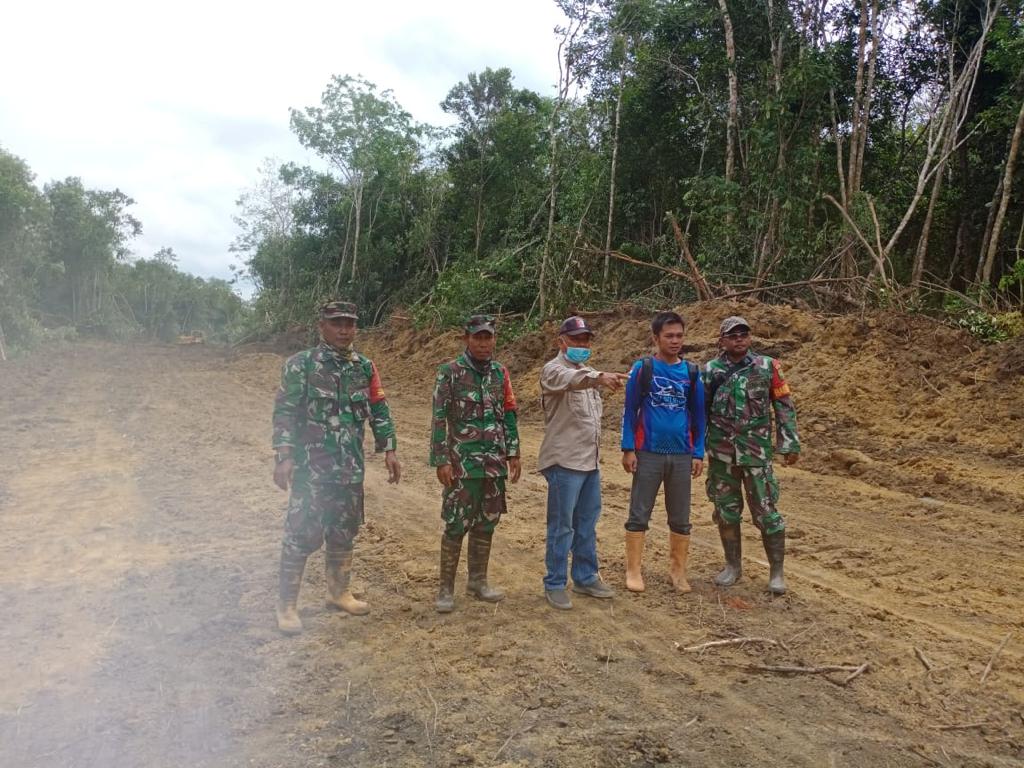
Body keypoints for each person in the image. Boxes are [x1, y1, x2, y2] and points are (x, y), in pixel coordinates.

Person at [271, 301, 402, 635]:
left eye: (350, 324)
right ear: (322, 326)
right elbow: (286, 411)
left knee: (344, 531)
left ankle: (338, 592)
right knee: (301, 534)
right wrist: (284, 456)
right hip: (312, 470)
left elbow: (379, 409)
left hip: (349, 469)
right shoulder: (301, 366)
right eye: (337, 323)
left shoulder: (364, 368)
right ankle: (286, 605)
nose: (345, 330)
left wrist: (390, 448)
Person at [429, 314, 521, 613]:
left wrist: (513, 452)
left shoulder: (500, 373)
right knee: (456, 523)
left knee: (487, 522)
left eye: (488, 337)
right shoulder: (450, 372)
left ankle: (478, 582)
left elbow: (508, 413)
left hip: (493, 462)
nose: (484, 343)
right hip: (462, 464)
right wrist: (441, 459)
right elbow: (439, 418)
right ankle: (445, 589)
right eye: (478, 337)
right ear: (466, 338)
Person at [703, 316, 800, 595]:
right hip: (722, 455)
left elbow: (783, 405)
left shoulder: (768, 367)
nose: (739, 339)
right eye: (733, 335)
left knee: (767, 513)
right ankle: (733, 566)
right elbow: (700, 411)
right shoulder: (711, 370)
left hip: (757, 454)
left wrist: (789, 442)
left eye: (744, 334)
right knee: (726, 511)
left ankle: (777, 573)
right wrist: (696, 448)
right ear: (721, 340)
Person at [537, 316, 628, 610]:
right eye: (576, 340)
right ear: (561, 341)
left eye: (586, 340)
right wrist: (599, 377)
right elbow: (570, 381)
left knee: (587, 523)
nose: (582, 345)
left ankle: (586, 577)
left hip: (589, 463)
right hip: (564, 462)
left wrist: (597, 376)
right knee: (562, 526)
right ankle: (554, 583)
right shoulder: (554, 371)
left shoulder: (586, 371)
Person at [620, 311, 706, 593]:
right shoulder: (643, 368)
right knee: (639, 512)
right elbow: (630, 411)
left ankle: (678, 572)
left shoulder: (691, 373)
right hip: (648, 452)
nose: (675, 341)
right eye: (669, 336)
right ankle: (633, 570)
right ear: (655, 338)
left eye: (679, 335)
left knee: (680, 516)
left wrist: (698, 452)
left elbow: (699, 415)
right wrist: (628, 448)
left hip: (682, 454)